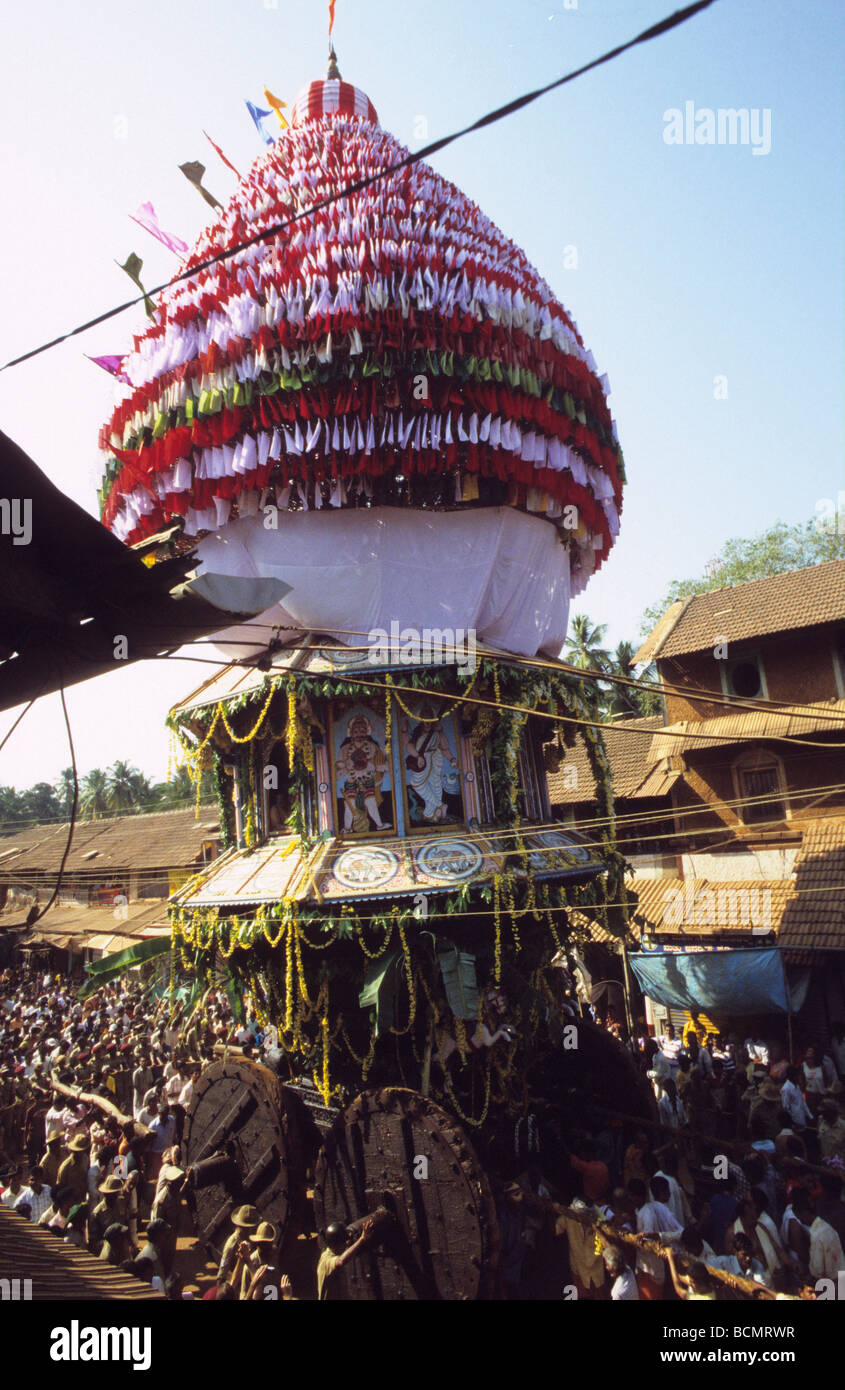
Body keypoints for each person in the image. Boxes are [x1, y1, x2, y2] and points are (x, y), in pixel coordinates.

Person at [628, 1177, 682, 1300]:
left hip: (651, 1268)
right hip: (644, 1266)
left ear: (638, 1196)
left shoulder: (648, 1213)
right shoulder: (638, 1211)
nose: (630, 1199)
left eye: (631, 1196)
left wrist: (637, 1241)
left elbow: (648, 1242)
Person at [317, 1218, 376, 1300]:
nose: (346, 1245)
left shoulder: (331, 1251)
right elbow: (340, 1262)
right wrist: (362, 1239)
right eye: (344, 1243)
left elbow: (345, 1251)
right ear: (337, 1244)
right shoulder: (327, 1261)